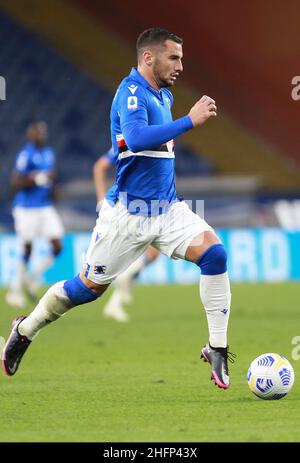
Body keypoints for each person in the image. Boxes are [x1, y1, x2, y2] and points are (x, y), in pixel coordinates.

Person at [2, 28, 233, 389]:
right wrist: (190, 121)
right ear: (148, 58)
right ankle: (25, 329)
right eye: (174, 57)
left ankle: (217, 348)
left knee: (215, 255)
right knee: (86, 289)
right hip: (128, 216)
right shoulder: (130, 94)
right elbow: (137, 139)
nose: (181, 65)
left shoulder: (163, 95)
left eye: (182, 58)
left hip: (168, 209)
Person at [93, 147, 160, 322]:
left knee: (148, 253)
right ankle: (123, 280)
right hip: (132, 203)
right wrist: (101, 198)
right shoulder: (129, 139)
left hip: (144, 200)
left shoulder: (153, 136)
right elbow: (100, 166)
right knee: (149, 252)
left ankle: (115, 303)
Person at [5, 121, 64, 308]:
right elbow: (16, 180)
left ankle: (33, 277)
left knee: (57, 246)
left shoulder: (49, 154)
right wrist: (36, 178)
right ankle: (14, 292)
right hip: (26, 208)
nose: (41, 135)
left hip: (45, 206)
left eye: (43, 132)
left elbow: (51, 179)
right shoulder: (26, 154)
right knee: (27, 248)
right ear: (31, 135)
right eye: (37, 133)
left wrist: (53, 188)